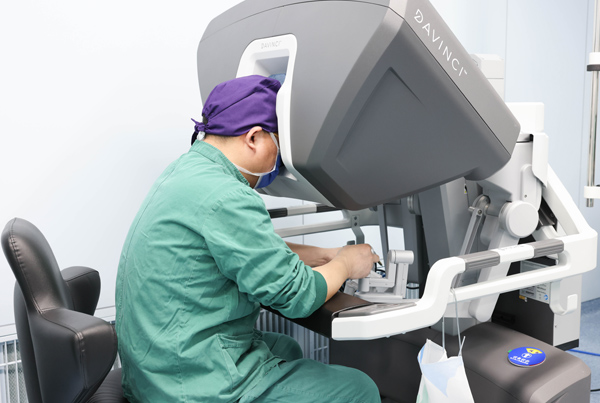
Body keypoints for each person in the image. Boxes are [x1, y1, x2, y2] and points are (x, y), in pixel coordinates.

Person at [115, 75, 381, 402]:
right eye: (279, 146)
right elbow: (297, 295)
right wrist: (346, 264)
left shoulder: (187, 172)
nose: (279, 162)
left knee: (285, 347)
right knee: (359, 389)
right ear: (254, 137)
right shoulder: (228, 195)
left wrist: (324, 254)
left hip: (155, 369)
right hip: (189, 384)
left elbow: (245, 249)